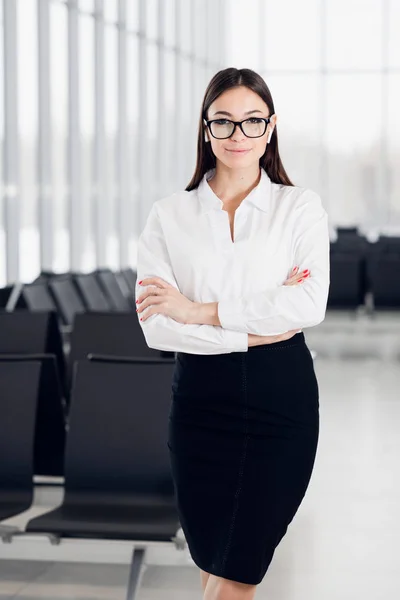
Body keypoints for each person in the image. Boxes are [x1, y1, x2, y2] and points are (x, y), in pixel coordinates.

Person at [135, 67, 330, 600]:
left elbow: (308, 304)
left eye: (252, 122)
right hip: (199, 404)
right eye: (223, 122)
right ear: (205, 129)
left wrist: (197, 311)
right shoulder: (168, 216)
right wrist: (262, 320)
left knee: (237, 574)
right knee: (212, 566)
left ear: (270, 130)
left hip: (279, 402)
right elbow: (156, 326)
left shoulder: (299, 208)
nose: (238, 135)